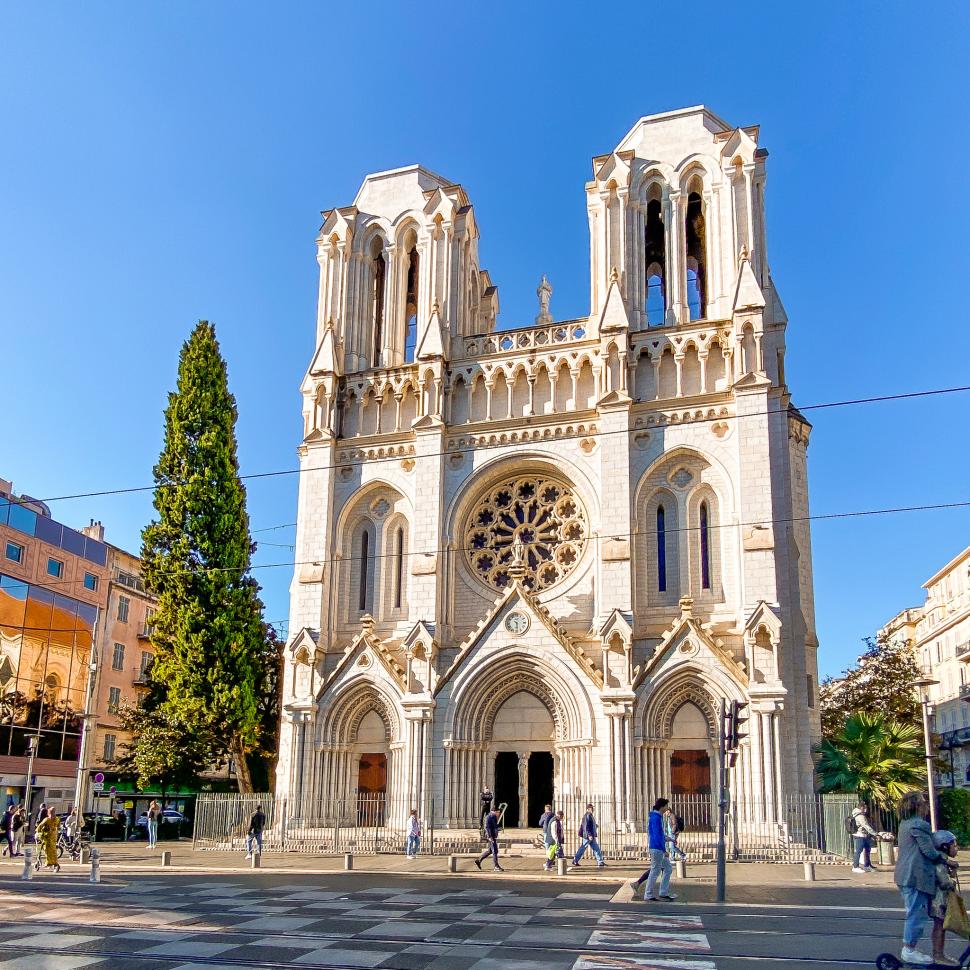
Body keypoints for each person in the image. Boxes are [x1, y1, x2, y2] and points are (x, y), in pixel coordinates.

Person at [894, 791, 952, 965]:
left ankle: (910, 948)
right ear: (917, 806)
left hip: (905, 875)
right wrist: (945, 860)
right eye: (924, 803)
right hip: (914, 876)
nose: (926, 805)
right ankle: (908, 949)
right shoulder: (919, 825)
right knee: (916, 914)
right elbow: (928, 851)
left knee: (916, 912)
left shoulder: (905, 823)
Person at [632, 798, 677, 901]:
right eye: (666, 806)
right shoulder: (656, 818)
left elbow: (659, 835)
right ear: (662, 807)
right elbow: (657, 836)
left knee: (668, 869)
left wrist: (670, 839)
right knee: (655, 871)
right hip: (657, 848)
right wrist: (663, 850)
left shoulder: (657, 817)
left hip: (657, 847)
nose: (667, 808)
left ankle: (663, 892)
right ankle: (648, 894)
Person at [929, 830, 960, 966]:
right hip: (939, 900)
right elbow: (944, 881)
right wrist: (951, 882)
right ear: (944, 846)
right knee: (940, 926)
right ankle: (938, 955)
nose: (956, 847)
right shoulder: (940, 861)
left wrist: (952, 870)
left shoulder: (943, 859)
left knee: (941, 926)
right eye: (954, 844)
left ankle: (939, 954)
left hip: (941, 899)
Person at [570, 804, 606, 869]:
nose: (593, 809)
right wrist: (589, 835)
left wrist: (595, 825)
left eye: (592, 808)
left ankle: (600, 861)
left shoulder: (590, 815)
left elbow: (589, 824)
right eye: (591, 808)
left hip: (591, 835)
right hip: (588, 836)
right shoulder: (587, 815)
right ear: (588, 809)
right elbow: (586, 826)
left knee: (596, 848)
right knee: (583, 848)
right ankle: (575, 860)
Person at [851, 802, 879, 873]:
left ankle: (867, 865)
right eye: (865, 808)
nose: (866, 809)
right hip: (860, 835)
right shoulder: (860, 816)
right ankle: (855, 866)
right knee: (858, 851)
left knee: (867, 850)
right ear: (861, 808)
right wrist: (875, 833)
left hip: (864, 835)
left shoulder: (859, 814)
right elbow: (866, 826)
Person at [475, 807, 503, 872]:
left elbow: (493, 826)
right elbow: (487, 827)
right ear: (495, 811)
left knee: (490, 851)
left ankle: (479, 860)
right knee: (494, 851)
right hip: (491, 837)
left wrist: (497, 830)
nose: (499, 814)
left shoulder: (492, 816)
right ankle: (496, 866)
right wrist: (490, 837)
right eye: (498, 812)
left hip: (492, 836)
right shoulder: (491, 816)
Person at [36, 807, 59, 871]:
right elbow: (58, 826)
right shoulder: (56, 819)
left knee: (48, 850)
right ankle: (53, 862)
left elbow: (39, 826)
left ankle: (49, 863)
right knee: (53, 851)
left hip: (48, 837)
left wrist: (38, 832)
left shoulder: (47, 819)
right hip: (52, 837)